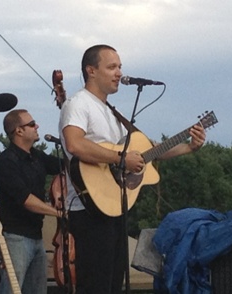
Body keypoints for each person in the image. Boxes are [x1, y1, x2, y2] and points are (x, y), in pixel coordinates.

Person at [58, 44, 206, 294]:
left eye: (120, 67)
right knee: (96, 285)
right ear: (91, 71)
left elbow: (149, 151)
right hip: (89, 209)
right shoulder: (78, 104)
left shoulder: (112, 112)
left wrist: (188, 147)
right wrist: (120, 158)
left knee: (113, 284)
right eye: (112, 67)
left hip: (114, 208)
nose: (119, 73)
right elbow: (74, 143)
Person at [0, 109, 63, 294]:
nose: (37, 126)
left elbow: (64, 166)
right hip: (15, 238)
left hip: (36, 237)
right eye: (32, 124)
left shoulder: (37, 156)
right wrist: (58, 212)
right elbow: (25, 199)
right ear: (19, 131)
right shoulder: (6, 161)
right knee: (11, 290)